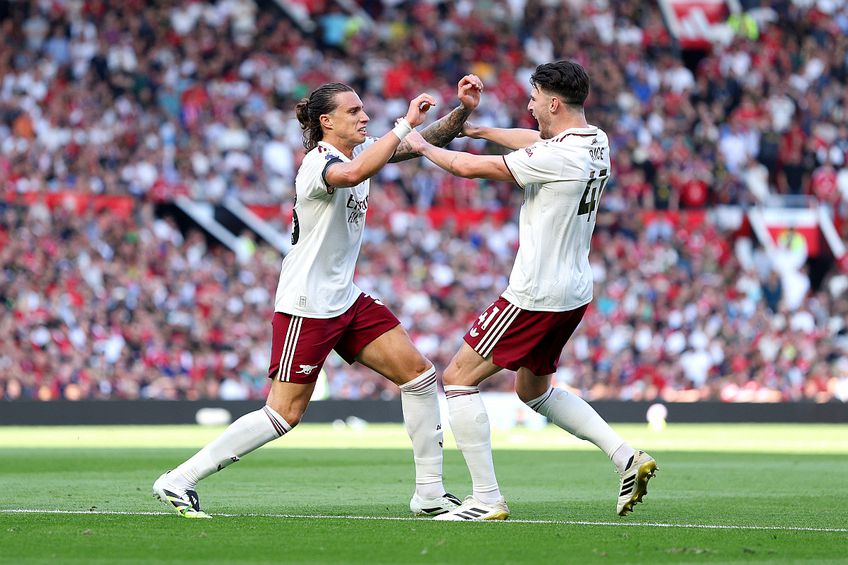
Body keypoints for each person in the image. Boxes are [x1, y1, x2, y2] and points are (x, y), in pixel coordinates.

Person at [154, 74, 485, 519]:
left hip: (344, 298)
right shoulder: (319, 163)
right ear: (327, 122)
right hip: (307, 305)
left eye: (364, 109)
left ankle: (429, 493)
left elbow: (423, 141)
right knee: (283, 414)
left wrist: (461, 110)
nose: (365, 116)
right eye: (354, 111)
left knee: (421, 377)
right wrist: (403, 124)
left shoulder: (361, 153)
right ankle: (179, 479)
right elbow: (353, 173)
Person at [403, 60, 657, 521]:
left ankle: (485, 499)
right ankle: (625, 456)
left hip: (534, 294)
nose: (529, 105)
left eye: (535, 98)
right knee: (533, 390)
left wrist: (419, 143)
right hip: (574, 291)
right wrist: (477, 128)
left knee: (458, 379)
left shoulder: (559, 156)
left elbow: (466, 169)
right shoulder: (595, 140)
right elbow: (535, 140)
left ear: (554, 102)